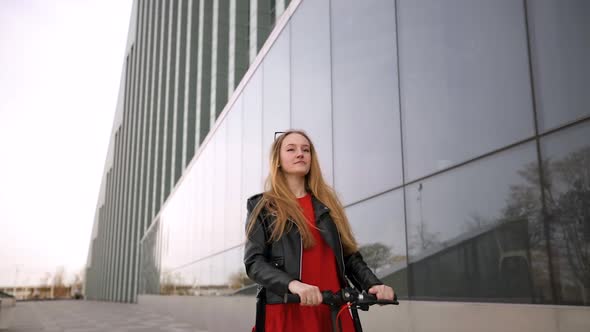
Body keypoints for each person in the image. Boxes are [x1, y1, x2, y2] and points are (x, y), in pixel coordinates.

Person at [244, 130, 395, 332]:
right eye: (291, 149)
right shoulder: (263, 206)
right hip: (288, 311)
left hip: (333, 311)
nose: (300, 154)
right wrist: (293, 284)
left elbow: (348, 256)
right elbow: (254, 262)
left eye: (305, 150)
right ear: (277, 160)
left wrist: (373, 284)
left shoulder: (327, 205)